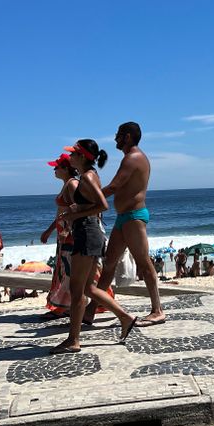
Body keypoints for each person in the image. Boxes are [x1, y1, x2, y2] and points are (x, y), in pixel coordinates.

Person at [49, 139, 138, 355]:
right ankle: (126, 318)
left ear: (82, 157)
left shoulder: (88, 177)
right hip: (89, 233)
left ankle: (73, 340)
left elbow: (103, 206)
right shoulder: (87, 176)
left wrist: (73, 214)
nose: (69, 157)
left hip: (88, 233)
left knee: (77, 291)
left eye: (73, 154)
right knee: (89, 288)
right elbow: (92, 204)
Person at [84, 122, 164, 328]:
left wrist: (89, 200)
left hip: (133, 217)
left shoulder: (133, 158)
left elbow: (114, 186)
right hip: (123, 217)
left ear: (127, 137)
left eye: (118, 135)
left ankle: (157, 311)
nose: (115, 139)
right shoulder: (129, 158)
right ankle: (91, 309)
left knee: (144, 263)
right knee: (109, 263)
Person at [41, 153, 79, 315]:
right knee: (64, 269)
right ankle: (65, 306)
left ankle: (64, 307)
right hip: (63, 234)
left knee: (68, 269)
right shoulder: (66, 184)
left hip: (69, 235)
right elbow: (61, 213)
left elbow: (76, 209)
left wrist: (66, 230)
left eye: (57, 167)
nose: (54, 170)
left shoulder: (72, 184)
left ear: (65, 169)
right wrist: (50, 230)